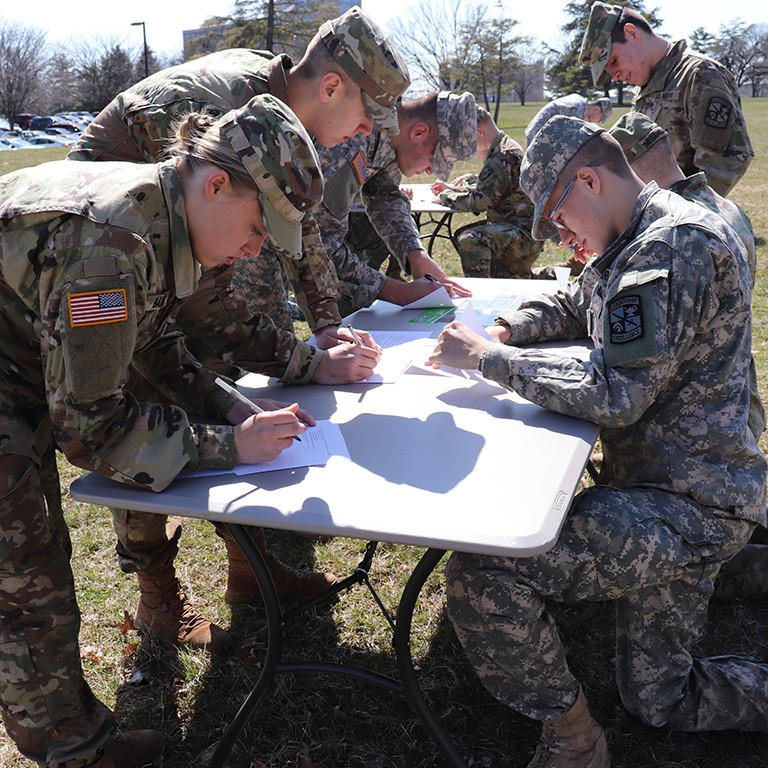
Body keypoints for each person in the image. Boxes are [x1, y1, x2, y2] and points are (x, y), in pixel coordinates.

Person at [426, 115, 768, 767]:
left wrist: (489, 363)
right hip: (677, 486)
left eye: (557, 217)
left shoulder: (670, 246)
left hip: (690, 505)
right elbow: (578, 303)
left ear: (587, 179)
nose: (560, 234)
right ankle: (740, 568)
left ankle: (575, 740)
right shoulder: (639, 229)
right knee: (659, 698)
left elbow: (619, 393)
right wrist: (504, 329)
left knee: (485, 570)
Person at [67, 5, 407, 649]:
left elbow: (299, 228)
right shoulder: (213, 119)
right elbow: (201, 316)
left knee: (226, 374)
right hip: (107, 257)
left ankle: (247, 565)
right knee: (150, 400)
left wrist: (327, 329)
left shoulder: (282, 130)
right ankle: (157, 599)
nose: (365, 133)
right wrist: (302, 364)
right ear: (331, 87)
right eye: (367, 117)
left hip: (175, 232)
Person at [0, 96, 322, 768]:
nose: (257, 249)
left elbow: (158, 347)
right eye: (261, 229)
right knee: (25, 571)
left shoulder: (158, 218)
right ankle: (74, 752)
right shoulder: (113, 247)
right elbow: (91, 433)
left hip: (17, 359)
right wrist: (232, 447)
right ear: (213, 185)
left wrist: (233, 408)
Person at [607, 111, 768, 601]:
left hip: (703, 428)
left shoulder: (681, 231)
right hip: (736, 403)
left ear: (631, 167)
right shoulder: (721, 207)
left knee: (700, 551)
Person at [307, 90, 476, 316]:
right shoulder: (351, 139)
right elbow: (319, 242)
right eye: (434, 160)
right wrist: (396, 292)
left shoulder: (391, 138)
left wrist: (415, 254)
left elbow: (385, 197)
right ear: (419, 132)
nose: (431, 170)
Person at [579, 2, 753, 196]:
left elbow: (722, 166)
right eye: (608, 72)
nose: (615, 76)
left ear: (632, 33)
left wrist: (681, 216)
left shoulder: (700, 75)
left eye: (613, 62)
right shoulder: (645, 89)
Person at [430, 105, 544, 279]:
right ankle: (509, 277)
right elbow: (496, 187)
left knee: (471, 240)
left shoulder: (501, 156)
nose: (469, 150)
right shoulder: (503, 148)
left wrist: (446, 196)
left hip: (523, 234)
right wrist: (470, 181)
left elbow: (480, 202)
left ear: (478, 131)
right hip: (520, 228)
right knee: (465, 234)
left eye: (469, 142)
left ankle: (482, 292)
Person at [525, 93, 612, 145]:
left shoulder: (579, 101)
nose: (599, 121)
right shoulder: (578, 110)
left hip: (539, 133)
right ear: (597, 109)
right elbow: (571, 140)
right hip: (536, 136)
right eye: (601, 118)